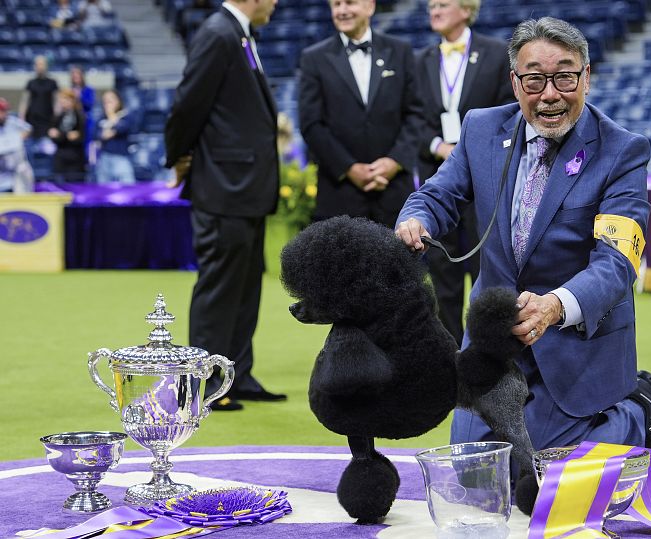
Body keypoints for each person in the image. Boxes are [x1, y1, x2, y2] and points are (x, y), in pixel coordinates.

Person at [396, 17, 651, 470]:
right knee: (473, 473)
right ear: (515, 83)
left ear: (586, 77)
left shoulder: (623, 151)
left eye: (565, 76)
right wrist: (417, 218)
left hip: (574, 341)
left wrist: (554, 306)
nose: (550, 94)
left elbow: (616, 263)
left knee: (540, 472)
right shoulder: (480, 129)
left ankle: (633, 412)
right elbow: (439, 194)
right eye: (534, 79)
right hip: (494, 340)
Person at [164, 0, 284, 412]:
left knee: (245, 284)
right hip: (224, 186)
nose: (275, 3)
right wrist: (177, 157)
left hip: (244, 186)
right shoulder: (219, 33)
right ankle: (202, 386)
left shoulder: (238, 32)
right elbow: (187, 104)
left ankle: (237, 374)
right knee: (219, 287)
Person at [416, 0, 513, 344]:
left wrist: (471, 149)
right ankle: (452, 361)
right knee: (442, 279)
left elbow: (508, 110)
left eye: (443, 4)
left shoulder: (497, 53)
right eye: (431, 6)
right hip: (439, 177)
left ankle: (492, 358)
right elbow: (413, 117)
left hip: (487, 180)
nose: (434, 10)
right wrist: (437, 147)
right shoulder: (420, 60)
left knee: (488, 274)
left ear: (466, 9)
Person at [297, 0, 422, 228]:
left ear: (370, 6)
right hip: (339, 195)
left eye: (350, 3)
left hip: (394, 192)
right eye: (336, 5)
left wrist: (394, 162)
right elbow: (311, 124)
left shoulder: (401, 51)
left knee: (398, 263)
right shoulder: (312, 58)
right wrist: (349, 168)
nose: (342, 11)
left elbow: (416, 113)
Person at [95, 90, 135, 184]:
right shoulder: (101, 118)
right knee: (103, 189)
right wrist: (110, 130)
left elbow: (121, 129)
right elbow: (99, 135)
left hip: (121, 157)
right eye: (105, 101)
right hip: (104, 157)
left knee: (127, 187)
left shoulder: (126, 116)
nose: (107, 104)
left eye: (110, 100)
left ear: (118, 101)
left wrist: (112, 116)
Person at [19, 56, 59, 145]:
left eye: (42, 64)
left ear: (46, 66)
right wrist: (22, 119)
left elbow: (56, 103)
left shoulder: (52, 83)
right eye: (38, 64)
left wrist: (56, 121)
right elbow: (25, 101)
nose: (40, 67)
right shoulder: (31, 82)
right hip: (32, 121)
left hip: (47, 121)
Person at [48, 89, 86, 183]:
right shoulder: (58, 117)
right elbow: (54, 136)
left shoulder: (79, 116)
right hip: (60, 156)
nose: (63, 102)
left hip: (75, 157)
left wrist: (60, 135)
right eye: (62, 99)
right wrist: (66, 135)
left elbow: (79, 137)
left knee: (75, 184)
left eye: (66, 99)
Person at [0, 98, 34, 194]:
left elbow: (29, 129)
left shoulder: (13, 121)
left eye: (3, 111)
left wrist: (19, 138)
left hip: (17, 167)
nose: (1, 114)